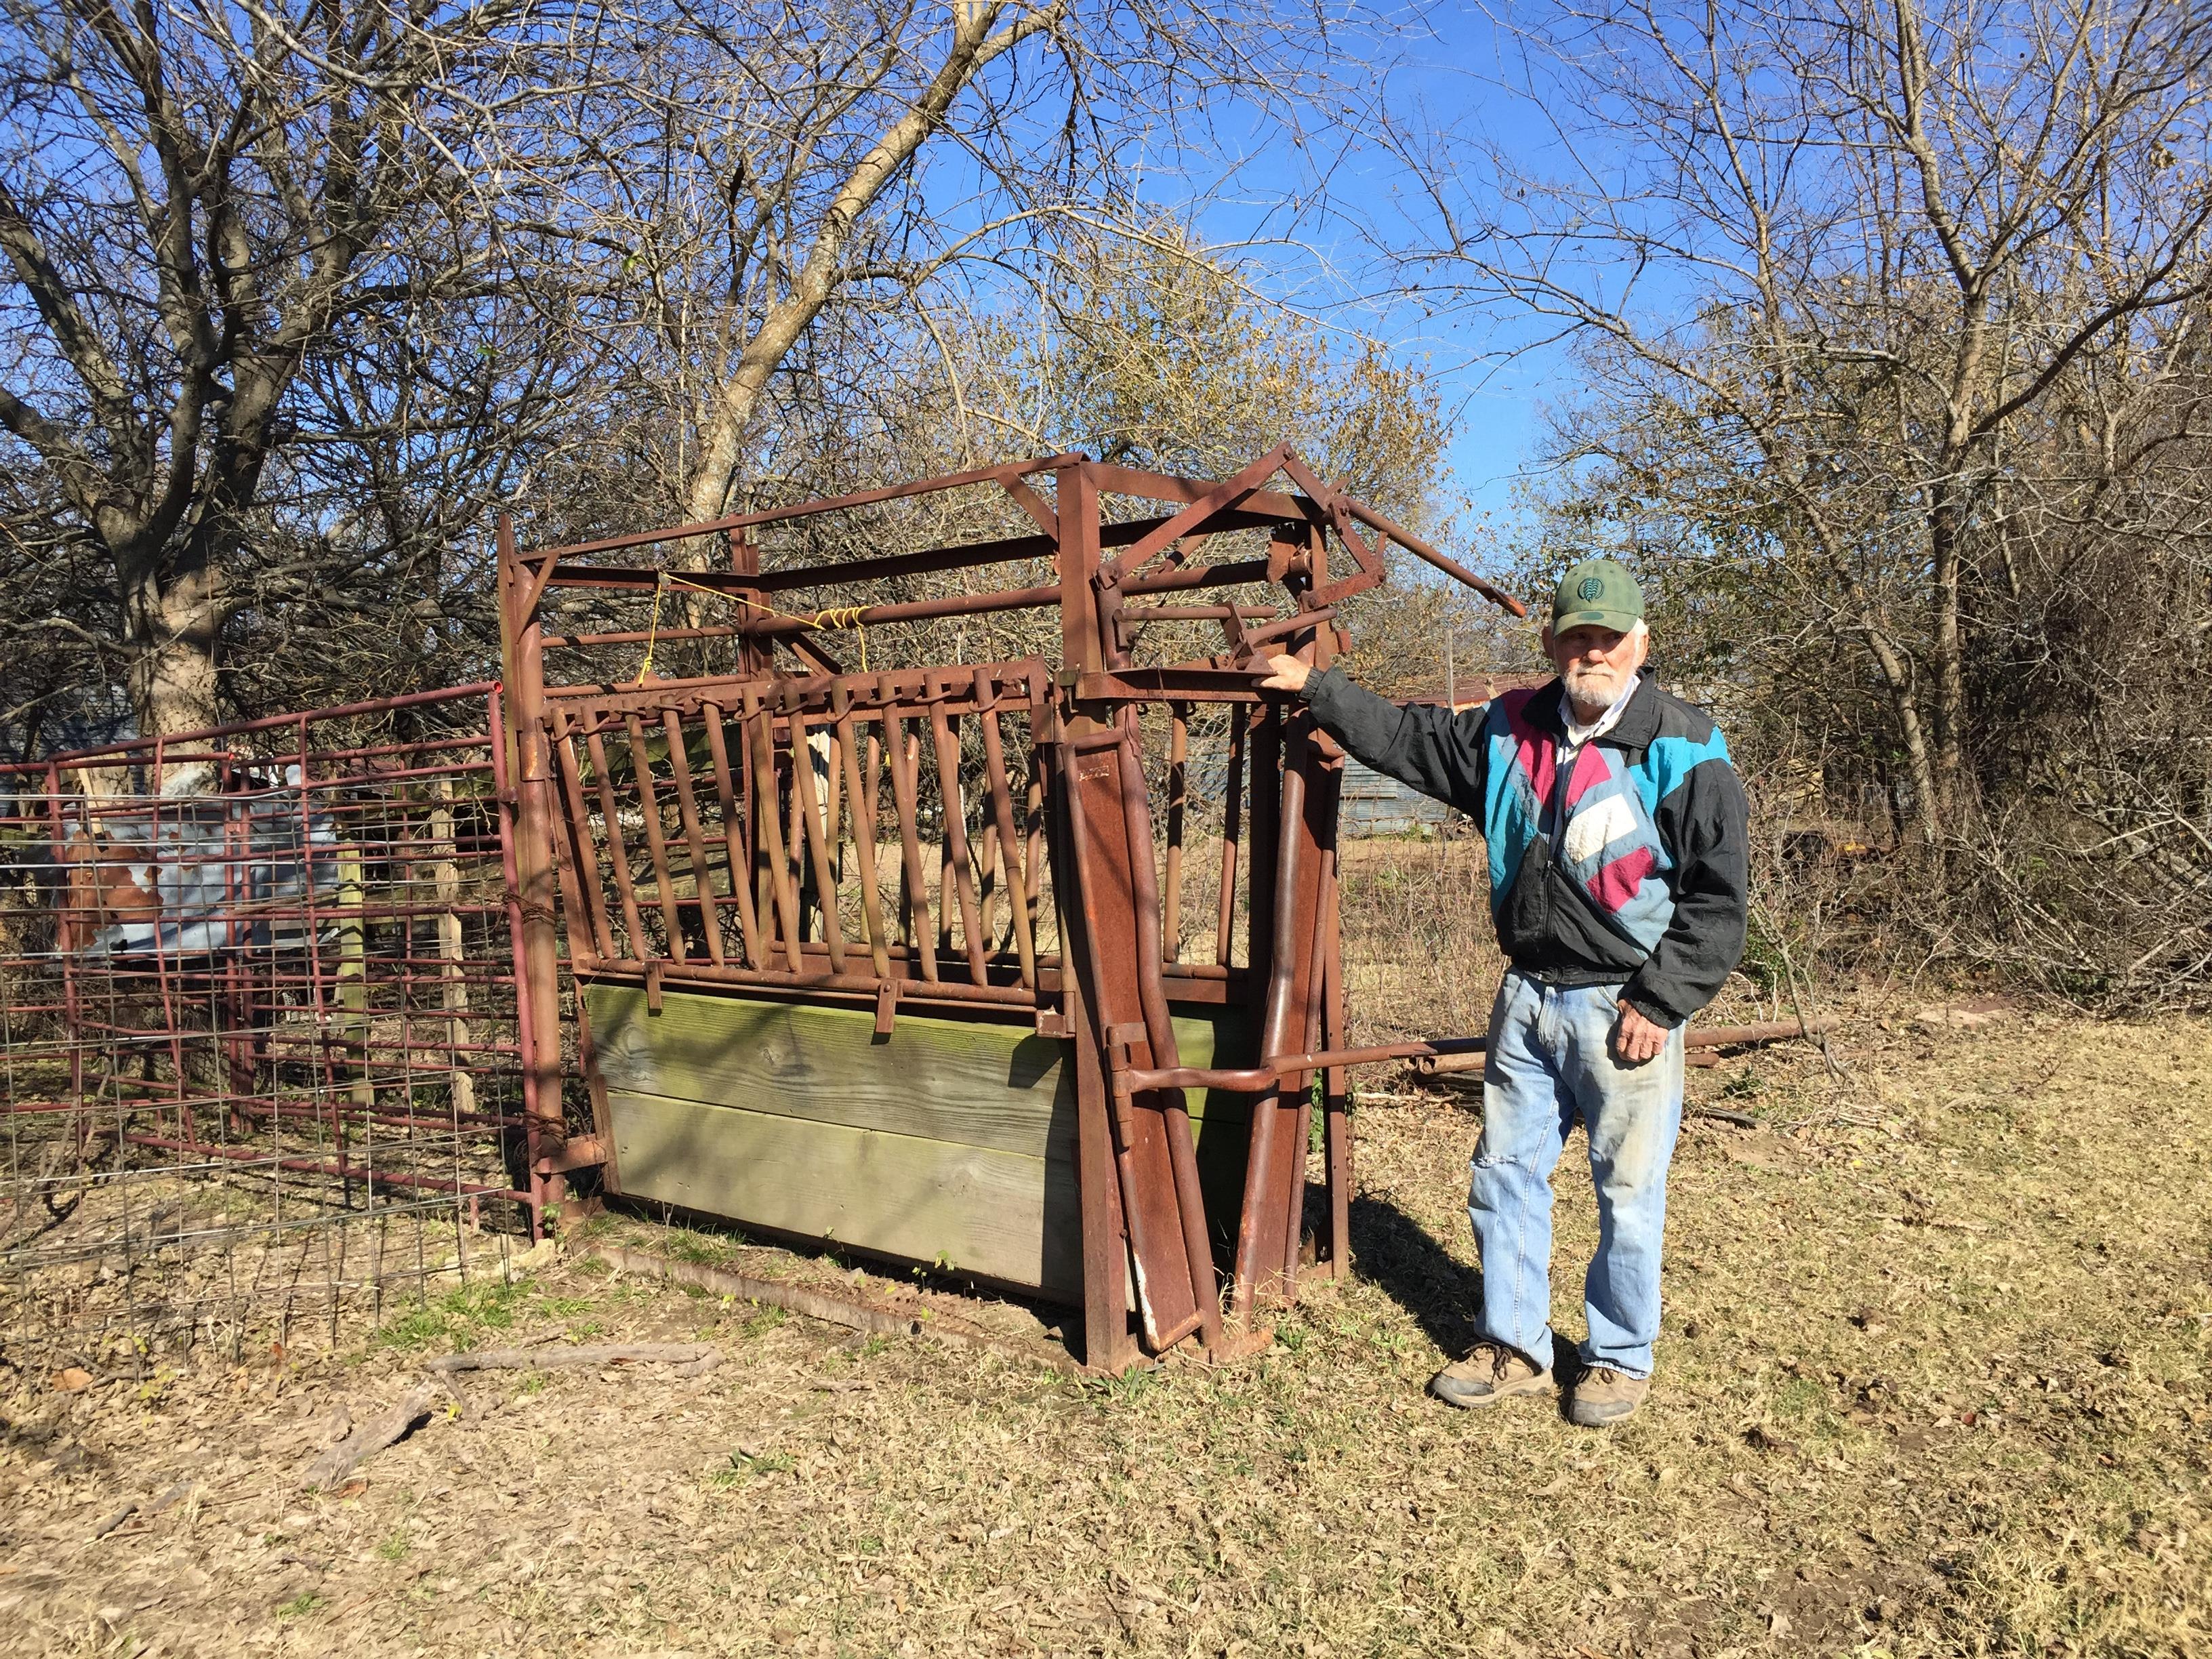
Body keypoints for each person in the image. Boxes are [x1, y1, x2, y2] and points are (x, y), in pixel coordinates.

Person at [1260, 558, 1747, 1427]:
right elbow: (1410, 739)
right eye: (1576, 638)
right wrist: (1321, 689)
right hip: (1526, 996)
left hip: (1623, 1007)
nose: (1591, 653)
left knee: (1627, 1193)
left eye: (1608, 638)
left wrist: (1662, 1001)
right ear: (1553, 643)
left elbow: (1717, 900)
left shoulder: (1684, 745)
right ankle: (1514, 1344)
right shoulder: (1508, 726)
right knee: (1505, 1176)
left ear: (1641, 642)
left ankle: (1617, 1358)